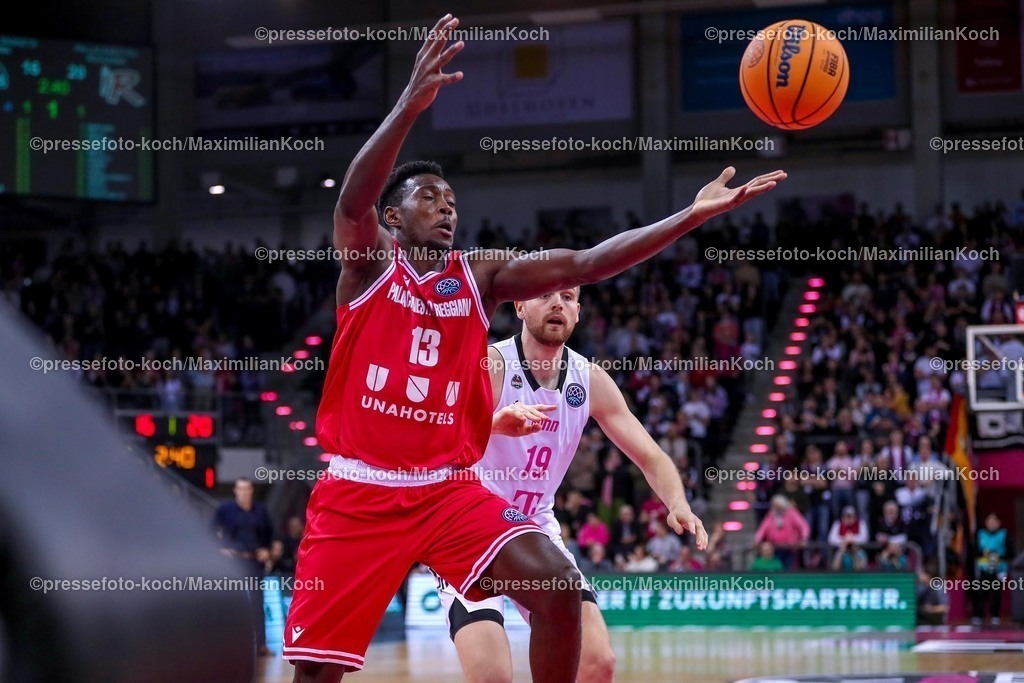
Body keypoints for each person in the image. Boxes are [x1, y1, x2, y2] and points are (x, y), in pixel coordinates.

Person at [284, 15, 783, 681]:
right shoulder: (369, 267)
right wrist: (408, 106)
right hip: (360, 490)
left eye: (452, 200)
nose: (447, 208)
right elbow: (353, 204)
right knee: (317, 674)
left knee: (557, 590)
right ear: (394, 218)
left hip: (447, 491)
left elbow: (588, 262)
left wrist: (688, 217)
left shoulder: (482, 276)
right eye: (430, 198)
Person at [437, 288, 708, 683]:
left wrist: (677, 502)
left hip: (534, 526)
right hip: (469, 526)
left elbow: (651, 455)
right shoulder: (491, 365)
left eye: (567, 296)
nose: (557, 303)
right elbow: (435, 443)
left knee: (598, 663)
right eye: (544, 294)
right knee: (493, 677)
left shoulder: (590, 379)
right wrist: (493, 424)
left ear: (578, 312)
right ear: (519, 306)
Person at [213, 478, 273, 656]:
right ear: (235, 490)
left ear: (251, 490)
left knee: (257, 603)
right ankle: (232, 645)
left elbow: (269, 533)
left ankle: (261, 644)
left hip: (254, 561)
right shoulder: (225, 509)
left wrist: (266, 550)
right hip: (234, 562)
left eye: (247, 489)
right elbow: (211, 530)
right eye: (240, 489)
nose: (244, 492)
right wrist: (221, 549)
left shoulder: (260, 510)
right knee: (234, 602)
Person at [973, 513, 1010, 625]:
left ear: (998, 523)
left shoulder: (1003, 534)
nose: (991, 524)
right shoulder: (981, 534)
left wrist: (998, 556)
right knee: (980, 592)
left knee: (996, 593)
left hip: (999, 569)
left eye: (994, 522)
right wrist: (985, 553)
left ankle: (995, 616)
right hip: (983, 568)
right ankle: (978, 615)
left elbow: (1010, 552)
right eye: (989, 521)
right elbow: (975, 551)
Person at [752, 495, 809, 569]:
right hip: (776, 547)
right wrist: (757, 540)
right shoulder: (771, 515)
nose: (773, 508)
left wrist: (804, 539)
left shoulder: (792, 513)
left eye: (776, 506)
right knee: (778, 568)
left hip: (790, 548)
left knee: (789, 568)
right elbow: (763, 528)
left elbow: (803, 526)